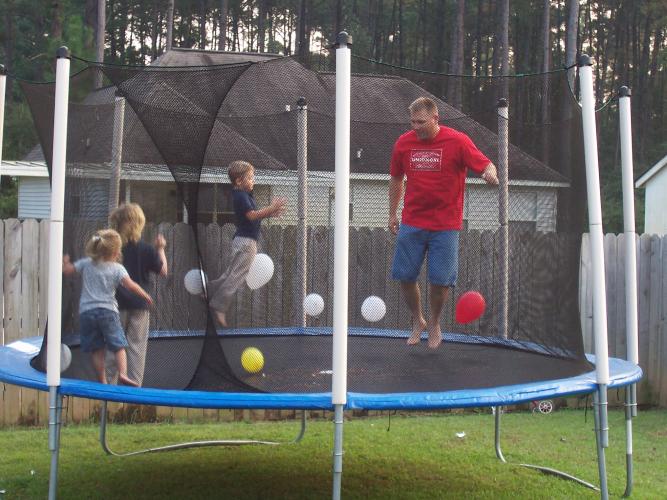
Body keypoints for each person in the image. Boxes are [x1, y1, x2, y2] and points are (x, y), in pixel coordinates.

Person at [388, 97, 498, 349]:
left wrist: (489, 172)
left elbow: (486, 164)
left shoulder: (457, 141)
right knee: (405, 276)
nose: (416, 127)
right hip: (413, 220)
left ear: (436, 118)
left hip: (445, 224)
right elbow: (396, 178)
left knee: (440, 281)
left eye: (421, 122)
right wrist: (392, 213)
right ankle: (418, 320)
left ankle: (434, 322)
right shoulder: (403, 143)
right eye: (412, 122)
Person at [63, 229, 153, 386]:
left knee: (97, 349)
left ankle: (102, 380)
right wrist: (145, 295)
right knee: (119, 345)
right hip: (107, 312)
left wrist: (64, 263)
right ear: (116, 252)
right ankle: (123, 373)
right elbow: (131, 285)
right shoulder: (117, 268)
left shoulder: (87, 263)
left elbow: (68, 271)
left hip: (87, 313)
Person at [208, 160, 286, 327]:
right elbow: (252, 216)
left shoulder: (242, 196)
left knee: (230, 273)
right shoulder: (242, 196)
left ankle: (208, 289)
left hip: (240, 240)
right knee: (237, 275)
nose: (253, 180)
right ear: (238, 181)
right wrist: (271, 208)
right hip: (247, 243)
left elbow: (252, 217)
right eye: (250, 178)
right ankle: (219, 306)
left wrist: (270, 213)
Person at [108, 203, 168, 386]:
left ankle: (107, 390)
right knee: (136, 349)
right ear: (138, 225)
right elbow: (163, 271)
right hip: (139, 305)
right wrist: (160, 248)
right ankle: (133, 392)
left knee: (113, 348)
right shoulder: (146, 249)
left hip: (115, 305)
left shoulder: (112, 249)